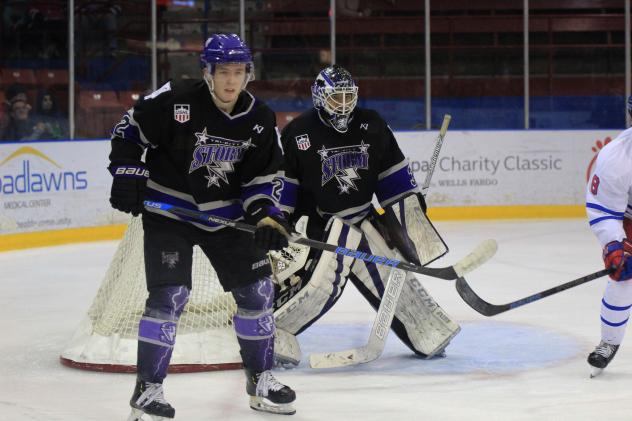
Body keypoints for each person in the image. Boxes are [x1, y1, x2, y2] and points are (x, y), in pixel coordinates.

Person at [108, 33, 296, 419]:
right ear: (207, 72)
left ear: (248, 74)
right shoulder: (175, 99)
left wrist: (264, 215)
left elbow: (261, 180)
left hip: (225, 218)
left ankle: (260, 380)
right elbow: (128, 132)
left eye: (239, 71)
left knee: (258, 293)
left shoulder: (260, 119)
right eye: (223, 71)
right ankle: (148, 390)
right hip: (170, 213)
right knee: (170, 295)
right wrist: (127, 172)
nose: (231, 80)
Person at [270, 64, 460, 366]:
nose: (343, 105)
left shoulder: (372, 125)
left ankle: (428, 331)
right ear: (319, 98)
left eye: (348, 97)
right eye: (336, 98)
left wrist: (408, 206)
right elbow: (287, 186)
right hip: (324, 224)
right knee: (321, 286)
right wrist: (280, 219)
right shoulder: (298, 132)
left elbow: (392, 178)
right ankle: (270, 332)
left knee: (391, 277)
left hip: (363, 217)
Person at [585, 96, 632, 377]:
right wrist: (615, 245)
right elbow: (603, 209)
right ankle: (609, 341)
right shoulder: (616, 157)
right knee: (623, 275)